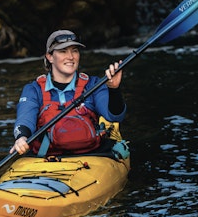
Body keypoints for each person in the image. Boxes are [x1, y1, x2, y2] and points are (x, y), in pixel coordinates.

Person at [10, 29, 126, 157]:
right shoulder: (34, 90)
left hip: (92, 154)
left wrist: (114, 89)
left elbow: (115, 116)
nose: (70, 57)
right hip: (46, 156)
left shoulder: (93, 85)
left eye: (74, 51)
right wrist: (21, 138)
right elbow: (25, 119)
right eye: (63, 51)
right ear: (50, 57)